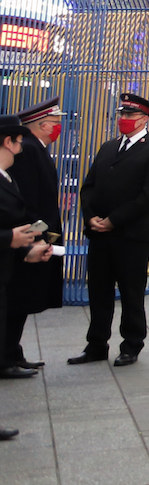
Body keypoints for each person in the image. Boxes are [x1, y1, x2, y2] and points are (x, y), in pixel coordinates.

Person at [69, 92, 149, 367]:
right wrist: (91, 218)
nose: (124, 119)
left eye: (130, 115)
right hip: (101, 234)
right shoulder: (108, 147)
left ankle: (131, 344)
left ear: (144, 119)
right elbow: (88, 186)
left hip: (131, 236)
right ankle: (96, 345)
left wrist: (114, 219)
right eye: (121, 114)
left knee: (130, 293)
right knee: (99, 292)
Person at [0, 117, 55, 438]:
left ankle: (10, 354)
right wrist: (12, 239)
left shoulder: (6, 178)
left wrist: (28, 249)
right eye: (19, 142)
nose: (22, 149)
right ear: (9, 142)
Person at [3, 99, 63, 375]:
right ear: (42, 125)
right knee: (18, 299)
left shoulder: (34, 149)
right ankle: (8, 356)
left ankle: (13, 353)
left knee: (21, 300)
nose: (57, 128)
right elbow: (27, 201)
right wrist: (39, 235)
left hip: (31, 236)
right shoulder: (28, 150)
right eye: (54, 123)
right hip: (25, 239)